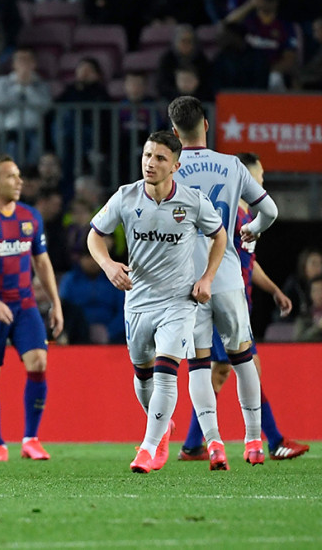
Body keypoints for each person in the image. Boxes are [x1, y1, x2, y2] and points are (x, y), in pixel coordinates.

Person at [87, 131, 227, 474]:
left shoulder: (192, 202)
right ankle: (161, 428)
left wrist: (207, 277)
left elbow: (219, 235)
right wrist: (108, 265)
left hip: (179, 301)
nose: (150, 163)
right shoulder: (126, 196)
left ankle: (149, 448)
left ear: (175, 166)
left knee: (166, 370)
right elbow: (94, 235)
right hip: (137, 301)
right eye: (147, 155)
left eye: (160, 158)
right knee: (143, 372)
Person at [169, 96, 279, 468]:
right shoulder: (232, 165)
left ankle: (214, 445)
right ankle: (253, 443)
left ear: (174, 132)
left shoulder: (170, 169)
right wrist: (252, 229)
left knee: (199, 366)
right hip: (229, 275)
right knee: (244, 360)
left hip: (189, 283)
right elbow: (269, 211)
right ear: (206, 125)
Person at [178, 151, 309, 461]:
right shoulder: (235, 216)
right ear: (248, 177)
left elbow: (247, 260)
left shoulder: (245, 217)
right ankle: (274, 440)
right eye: (259, 174)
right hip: (224, 301)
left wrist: (273, 289)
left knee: (220, 371)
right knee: (245, 367)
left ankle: (193, 445)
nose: (262, 179)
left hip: (233, 300)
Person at [0, 153, 64, 462]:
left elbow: (41, 262)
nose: (19, 181)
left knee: (39, 362)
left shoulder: (31, 216)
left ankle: (31, 439)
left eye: (18, 175)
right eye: (11, 176)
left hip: (24, 304)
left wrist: (56, 303)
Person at [0, 48, 51, 167]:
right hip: (8, 131)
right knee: (11, 156)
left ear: (34, 64)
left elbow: (45, 106)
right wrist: (18, 86)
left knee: (35, 152)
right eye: (20, 60)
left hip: (34, 131)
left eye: (27, 60)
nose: (24, 63)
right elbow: (0, 103)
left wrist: (28, 87)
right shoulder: (2, 82)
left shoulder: (41, 84)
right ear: (13, 64)